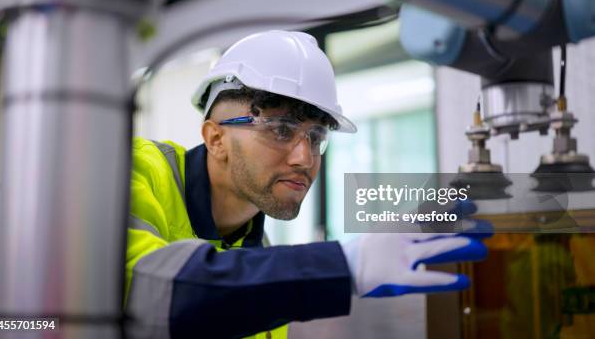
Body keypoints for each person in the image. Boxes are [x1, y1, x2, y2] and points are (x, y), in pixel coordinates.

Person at [125, 30, 489, 338]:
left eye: (315, 137)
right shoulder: (130, 175)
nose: (305, 158)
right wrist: (345, 265)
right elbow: (152, 294)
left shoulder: (254, 255)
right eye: (280, 130)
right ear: (215, 138)